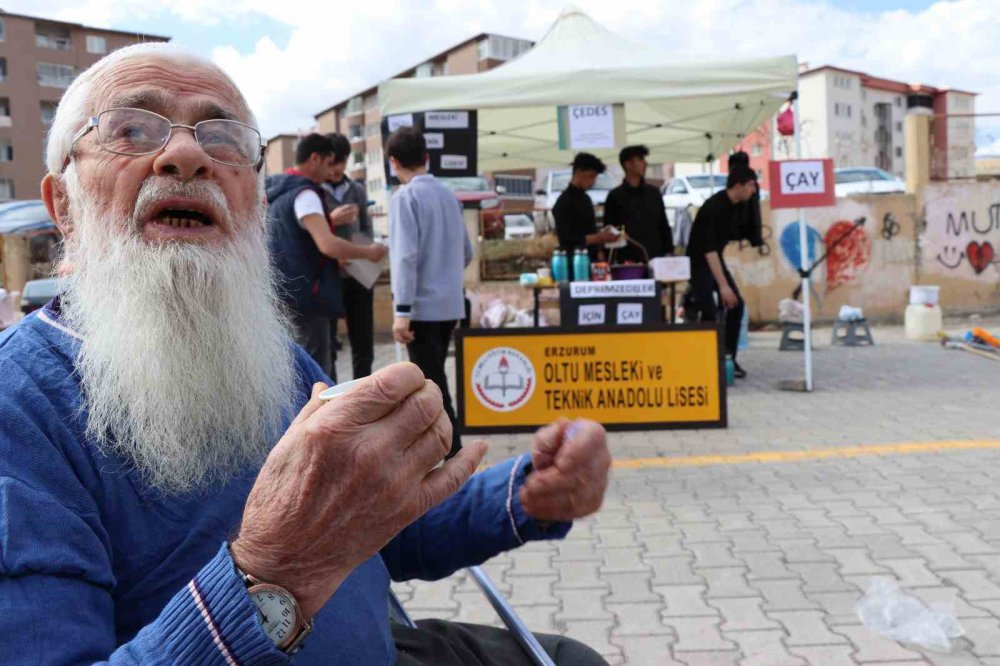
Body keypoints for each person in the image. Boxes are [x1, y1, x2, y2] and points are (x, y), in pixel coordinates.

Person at [0, 43, 612, 665]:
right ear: (64, 208)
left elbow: (377, 526)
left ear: (254, 205)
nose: (186, 154)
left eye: (224, 139)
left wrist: (528, 493)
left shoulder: (273, 361)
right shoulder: (18, 407)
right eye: (132, 129)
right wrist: (274, 573)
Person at [266, 132, 387, 381]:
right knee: (317, 372)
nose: (330, 171)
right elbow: (328, 245)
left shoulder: (277, 191)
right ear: (315, 159)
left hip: (286, 292)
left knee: (298, 368)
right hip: (311, 295)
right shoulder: (305, 194)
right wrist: (369, 252)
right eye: (328, 163)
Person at [387, 126, 470, 460]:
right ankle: (448, 449)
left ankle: (451, 451)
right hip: (450, 303)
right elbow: (467, 253)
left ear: (393, 163)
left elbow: (405, 256)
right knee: (434, 380)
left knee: (429, 385)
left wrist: (402, 310)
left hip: (420, 307)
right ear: (426, 157)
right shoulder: (450, 195)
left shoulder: (405, 198)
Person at [685, 164, 758, 378]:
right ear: (738, 185)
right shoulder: (714, 207)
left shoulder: (736, 206)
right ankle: (706, 363)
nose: (753, 191)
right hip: (699, 262)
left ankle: (728, 359)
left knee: (736, 305)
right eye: (751, 186)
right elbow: (708, 251)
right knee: (709, 311)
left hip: (714, 259)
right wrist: (724, 286)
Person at [323, 132, 377, 380]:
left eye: (341, 162)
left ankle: (363, 391)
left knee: (363, 341)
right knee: (327, 344)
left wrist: (360, 249)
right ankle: (329, 394)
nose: (336, 169)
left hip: (358, 276)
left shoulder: (357, 190)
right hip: (327, 275)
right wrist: (330, 221)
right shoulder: (313, 191)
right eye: (332, 163)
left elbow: (367, 229)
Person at [552, 152, 619, 280]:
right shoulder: (563, 203)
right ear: (578, 172)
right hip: (572, 265)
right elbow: (567, 239)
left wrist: (600, 247)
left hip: (592, 262)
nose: (593, 181)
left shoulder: (586, 199)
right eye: (591, 176)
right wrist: (600, 237)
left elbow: (590, 229)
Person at [603, 145, 674, 263]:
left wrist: (669, 251)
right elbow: (610, 229)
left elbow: (663, 225)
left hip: (656, 257)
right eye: (640, 160)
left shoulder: (654, 193)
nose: (645, 164)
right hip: (627, 260)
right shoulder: (615, 196)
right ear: (628, 164)